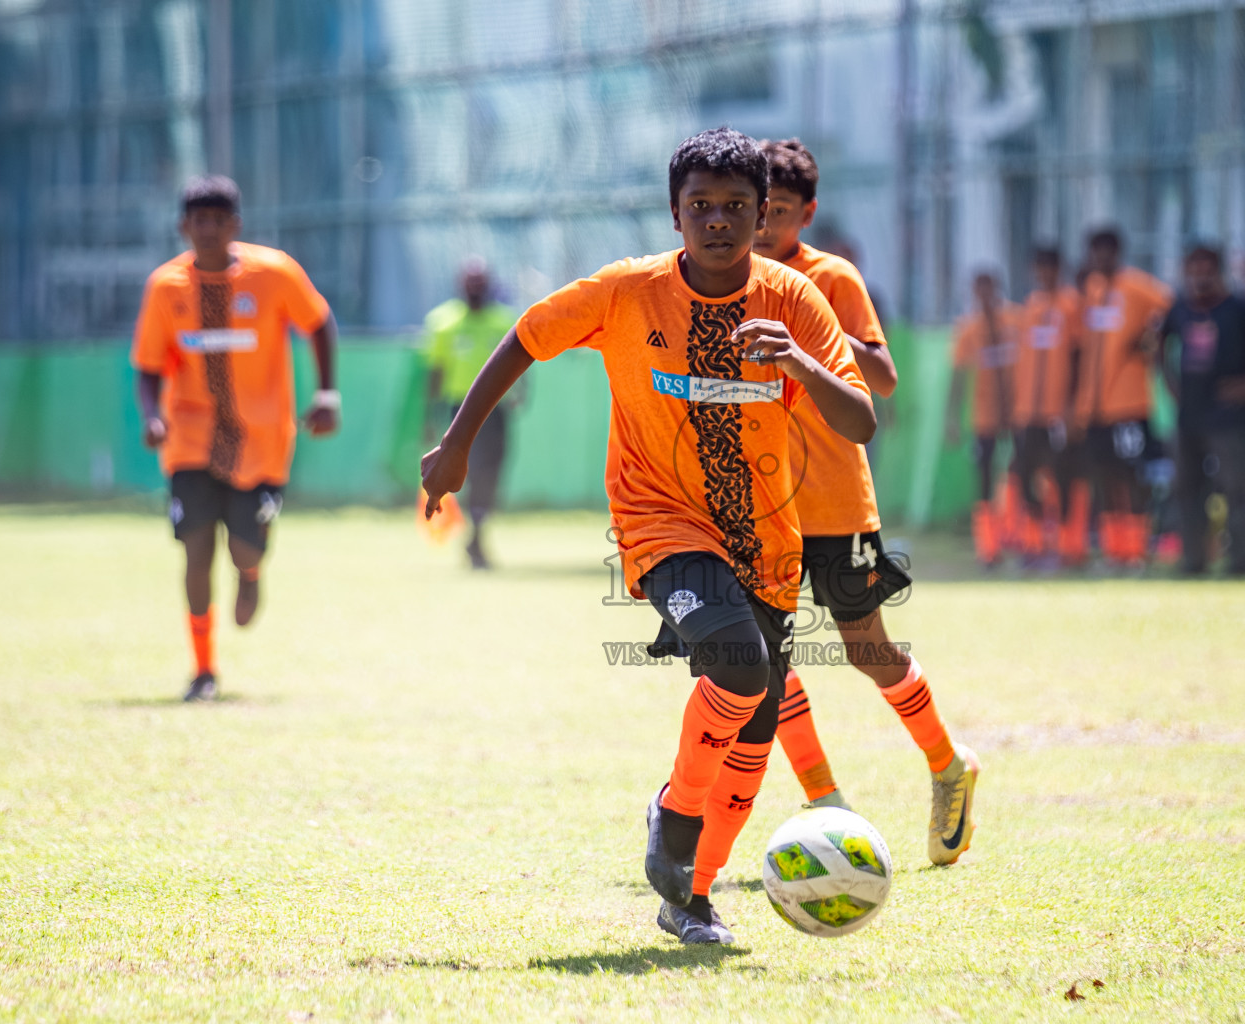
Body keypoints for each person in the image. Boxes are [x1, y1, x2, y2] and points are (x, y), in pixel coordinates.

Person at [419, 128, 876, 946]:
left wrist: (801, 361)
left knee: (756, 730)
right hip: (660, 521)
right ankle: (673, 810)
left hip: (767, 542)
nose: (719, 221)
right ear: (674, 213)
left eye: (737, 207)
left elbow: (861, 418)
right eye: (701, 205)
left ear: (763, 213)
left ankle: (692, 900)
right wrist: (457, 444)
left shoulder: (794, 300)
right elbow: (526, 336)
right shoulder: (627, 292)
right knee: (738, 668)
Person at [751, 137, 979, 869]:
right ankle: (826, 804)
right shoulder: (731, 278)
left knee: (867, 650)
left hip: (836, 504)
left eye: (779, 212)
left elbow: (881, 376)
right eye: (757, 209)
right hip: (756, 507)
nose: (762, 225)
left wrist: (808, 337)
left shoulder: (831, 277)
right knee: (763, 658)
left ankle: (948, 765)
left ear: (806, 212)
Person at [132, 175, 340, 701]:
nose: (206, 229)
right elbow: (149, 364)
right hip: (191, 439)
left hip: (262, 440)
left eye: (217, 220)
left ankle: (250, 572)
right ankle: (203, 670)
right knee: (195, 552)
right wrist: (152, 416)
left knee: (244, 548)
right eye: (197, 220)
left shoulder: (274, 273)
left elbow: (318, 322)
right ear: (184, 226)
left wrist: (328, 394)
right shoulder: (166, 287)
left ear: (234, 226)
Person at [1156, 245, 1245, 576]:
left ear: (1219, 271)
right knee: (1187, 489)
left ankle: (1240, 561)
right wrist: (1171, 385)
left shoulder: (1239, 308)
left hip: (1229, 417)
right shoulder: (1180, 308)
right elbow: (1159, 344)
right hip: (1189, 416)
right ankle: (1193, 560)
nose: (1201, 275)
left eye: (1207, 268)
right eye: (1194, 268)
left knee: (1235, 489)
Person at [1074, 227, 1173, 569]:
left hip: (1128, 402)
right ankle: (1115, 550)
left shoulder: (1136, 285)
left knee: (1132, 476)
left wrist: (1148, 339)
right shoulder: (1093, 290)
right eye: (1095, 252)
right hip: (1095, 407)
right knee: (1105, 476)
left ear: (1118, 253)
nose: (1100, 259)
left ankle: (1136, 551)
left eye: (1107, 252)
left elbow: (1170, 309)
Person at [424, 259, 521, 569]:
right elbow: (436, 373)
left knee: (492, 472)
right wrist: (430, 415)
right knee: (469, 472)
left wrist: (521, 392)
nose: (476, 289)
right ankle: (473, 534)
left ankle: (477, 531)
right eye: (470, 283)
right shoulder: (444, 322)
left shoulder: (503, 320)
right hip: (461, 412)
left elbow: (521, 355)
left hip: (497, 412)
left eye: (480, 283)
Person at [1013, 246, 1087, 567]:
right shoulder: (1030, 306)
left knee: (1063, 475)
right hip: (1029, 412)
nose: (1044, 275)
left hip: (1059, 412)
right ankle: (1033, 545)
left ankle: (1068, 547)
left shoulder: (1071, 306)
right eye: (1039, 269)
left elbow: (1078, 356)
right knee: (1026, 474)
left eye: (1050, 268)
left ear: (1060, 269)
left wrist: (1072, 407)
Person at [946, 271, 1022, 566]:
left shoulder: (1015, 321)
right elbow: (958, 377)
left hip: (1016, 414)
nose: (985, 296)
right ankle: (988, 547)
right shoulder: (968, 329)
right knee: (985, 478)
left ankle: (1016, 537)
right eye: (979, 291)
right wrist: (951, 419)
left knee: (1019, 473)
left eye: (989, 289)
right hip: (984, 417)